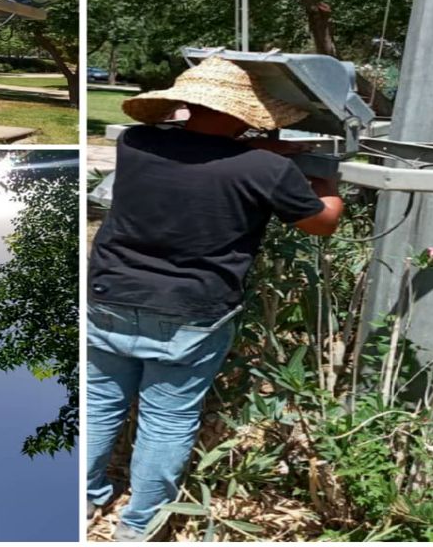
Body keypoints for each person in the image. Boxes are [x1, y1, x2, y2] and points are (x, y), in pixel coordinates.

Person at [86, 57, 344, 540]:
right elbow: (321, 223)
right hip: (190, 311)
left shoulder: (135, 143)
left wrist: (254, 148)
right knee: (167, 421)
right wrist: (328, 185)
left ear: (185, 102)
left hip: (110, 294)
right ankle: (138, 528)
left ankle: (84, 497)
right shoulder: (266, 169)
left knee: (99, 403)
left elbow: (200, 155)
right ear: (248, 114)